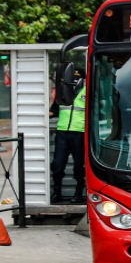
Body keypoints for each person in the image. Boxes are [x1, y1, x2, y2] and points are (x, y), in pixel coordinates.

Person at [49, 69, 86, 203]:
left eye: (78, 78)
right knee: (57, 165)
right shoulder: (63, 92)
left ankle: (79, 193)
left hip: (80, 133)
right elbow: (54, 110)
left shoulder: (88, 91)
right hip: (62, 133)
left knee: (79, 166)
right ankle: (57, 192)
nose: (74, 81)